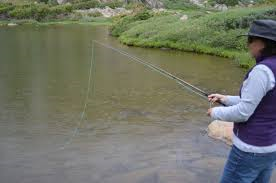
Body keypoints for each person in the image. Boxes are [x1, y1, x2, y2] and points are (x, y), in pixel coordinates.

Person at [207, 19, 276, 183]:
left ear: (262, 43)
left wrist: (215, 112)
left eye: (250, 40)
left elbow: (243, 113)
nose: (248, 44)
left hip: (249, 149)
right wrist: (225, 99)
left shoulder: (262, 71)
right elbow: (261, 102)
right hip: (270, 148)